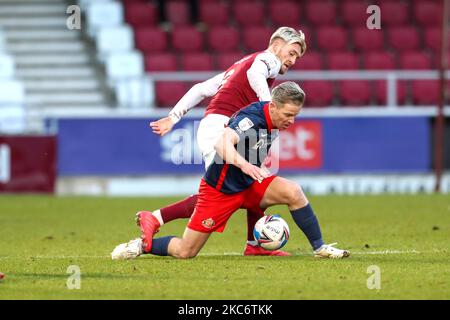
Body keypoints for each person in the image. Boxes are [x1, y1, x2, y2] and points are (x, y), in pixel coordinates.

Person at [111, 82, 350, 260]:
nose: (291, 121)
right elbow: (221, 144)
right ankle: (142, 246)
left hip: (248, 184)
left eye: (295, 116)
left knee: (293, 192)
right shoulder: (251, 118)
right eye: (288, 115)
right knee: (186, 251)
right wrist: (246, 165)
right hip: (220, 191)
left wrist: (254, 169)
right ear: (273, 107)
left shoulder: (275, 121)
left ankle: (319, 248)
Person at [137, 27, 307, 257]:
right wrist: (267, 106)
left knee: (256, 180)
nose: (293, 59)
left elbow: (200, 89)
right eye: (292, 52)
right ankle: (156, 217)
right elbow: (256, 73)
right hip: (222, 128)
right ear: (276, 44)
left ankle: (254, 245)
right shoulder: (267, 60)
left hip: (226, 128)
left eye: (297, 56)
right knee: (219, 192)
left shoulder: (240, 65)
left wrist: (173, 117)